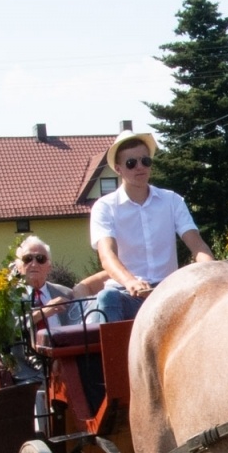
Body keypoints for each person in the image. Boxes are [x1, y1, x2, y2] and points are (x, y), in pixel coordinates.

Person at [88, 130, 214, 322]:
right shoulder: (104, 207)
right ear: (118, 168)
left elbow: (198, 246)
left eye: (145, 161)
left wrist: (214, 272)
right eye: (131, 163)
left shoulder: (172, 201)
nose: (140, 167)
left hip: (168, 293)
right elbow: (107, 256)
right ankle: (115, 353)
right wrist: (131, 282)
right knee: (107, 297)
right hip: (127, 295)